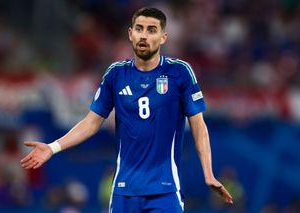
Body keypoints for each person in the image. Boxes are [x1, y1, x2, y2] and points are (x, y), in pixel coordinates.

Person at [20, 7, 233, 212]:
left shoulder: (180, 73)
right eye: (139, 29)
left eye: (152, 30)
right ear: (130, 34)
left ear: (163, 37)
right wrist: (52, 147)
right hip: (124, 190)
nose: (144, 35)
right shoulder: (116, 74)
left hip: (165, 190)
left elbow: (199, 126)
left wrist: (208, 173)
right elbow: (91, 123)